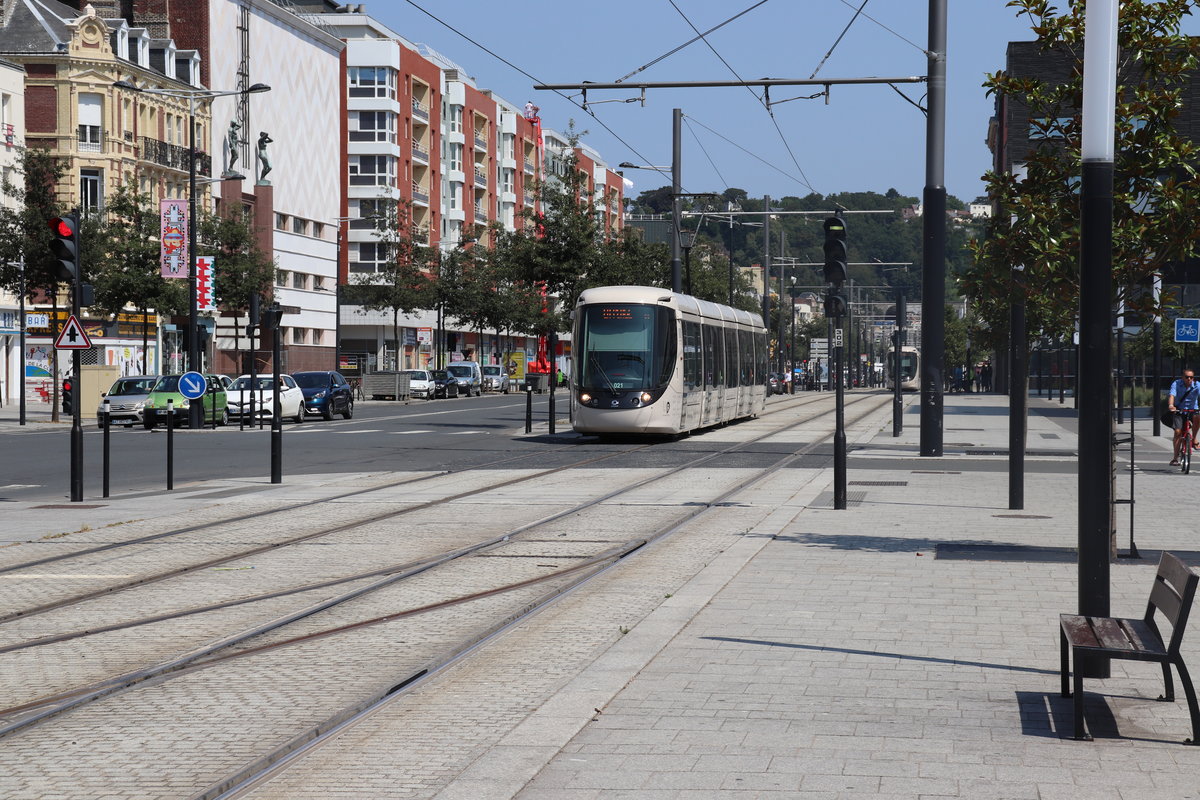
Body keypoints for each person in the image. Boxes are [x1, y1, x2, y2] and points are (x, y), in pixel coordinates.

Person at [1167, 368, 1200, 465]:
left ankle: (1193, 439)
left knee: (1198, 416)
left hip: (1192, 410)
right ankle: (1175, 458)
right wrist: (1171, 405)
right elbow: (1172, 395)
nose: (1189, 379)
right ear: (1182, 377)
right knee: (1178, 432)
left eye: (1191, 377)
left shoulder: (1197, 385)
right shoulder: (1176, 383)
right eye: (1187, 377)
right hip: (1179, 411)